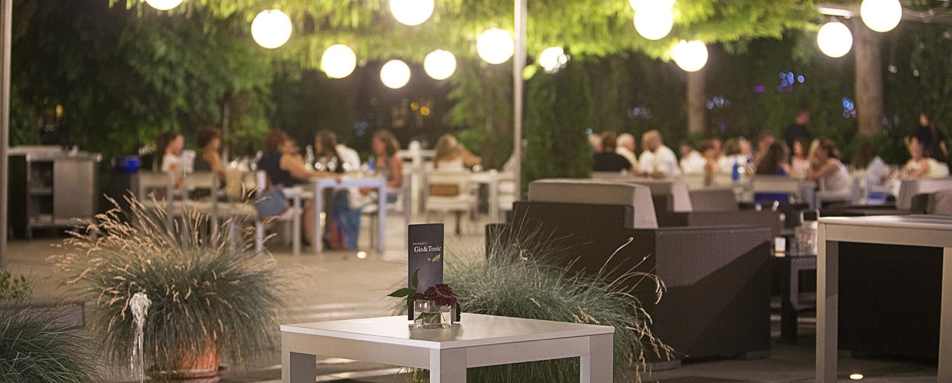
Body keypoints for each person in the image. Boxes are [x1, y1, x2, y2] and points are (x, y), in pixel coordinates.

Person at [257, 129, 331, 246]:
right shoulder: (284, 158)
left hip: (266, 199)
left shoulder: (262, 158)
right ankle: (313, 241)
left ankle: (301, 238)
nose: (291, 145)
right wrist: (331, 175)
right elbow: (307, 174)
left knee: (307, 198)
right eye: (288, 142)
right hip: (284, 200)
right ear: (281, 144)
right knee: (313, 201)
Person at [371, 130, 404, 201]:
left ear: (385, 144)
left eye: (377, 144)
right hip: (381, 191)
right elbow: (376, 177)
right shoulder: (380, 158)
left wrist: (377, 187)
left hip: (390, 194)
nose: (374, 147)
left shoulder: (394, 159)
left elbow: (397, 182)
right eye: (373, 144)